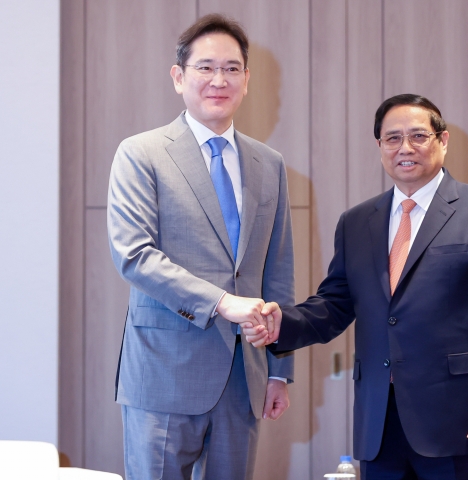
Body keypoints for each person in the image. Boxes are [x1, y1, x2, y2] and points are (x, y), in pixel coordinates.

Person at [245, 94, 468, 479]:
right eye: (392, 138)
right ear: (379, 146)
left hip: (462, 426)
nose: (405, 148)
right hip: (378, 425)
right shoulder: (357, 222)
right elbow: (335, 305)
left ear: (443, 141)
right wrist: (283, 322)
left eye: (418, 136)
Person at [107, 13, 294, 480]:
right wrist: (222, 303)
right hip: (163, 373)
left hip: (243, 380)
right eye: (205, 67)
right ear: (178, 77)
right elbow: (134, 254)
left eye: (232, 69)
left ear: (247, 80)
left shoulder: (269, 164)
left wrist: (278, 369)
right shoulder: (141, 153)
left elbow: (278, 270)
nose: (219, 80)